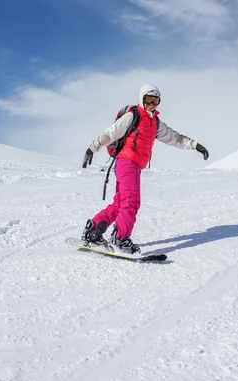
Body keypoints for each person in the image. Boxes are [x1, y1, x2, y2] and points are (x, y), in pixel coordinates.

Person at [80, 84, 209, 254]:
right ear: (142, 99)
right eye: (149, 99)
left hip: (132, 165)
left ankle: (93, 232)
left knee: (120, 203)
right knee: (131, 200)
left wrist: (195, 145)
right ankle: (120, 238)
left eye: (156, 100)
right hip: (127, 162)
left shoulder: (155, 123)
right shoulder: (132, 116)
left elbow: (175, 138)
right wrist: (92, 148)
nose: (152, 104)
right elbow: (111, 133)